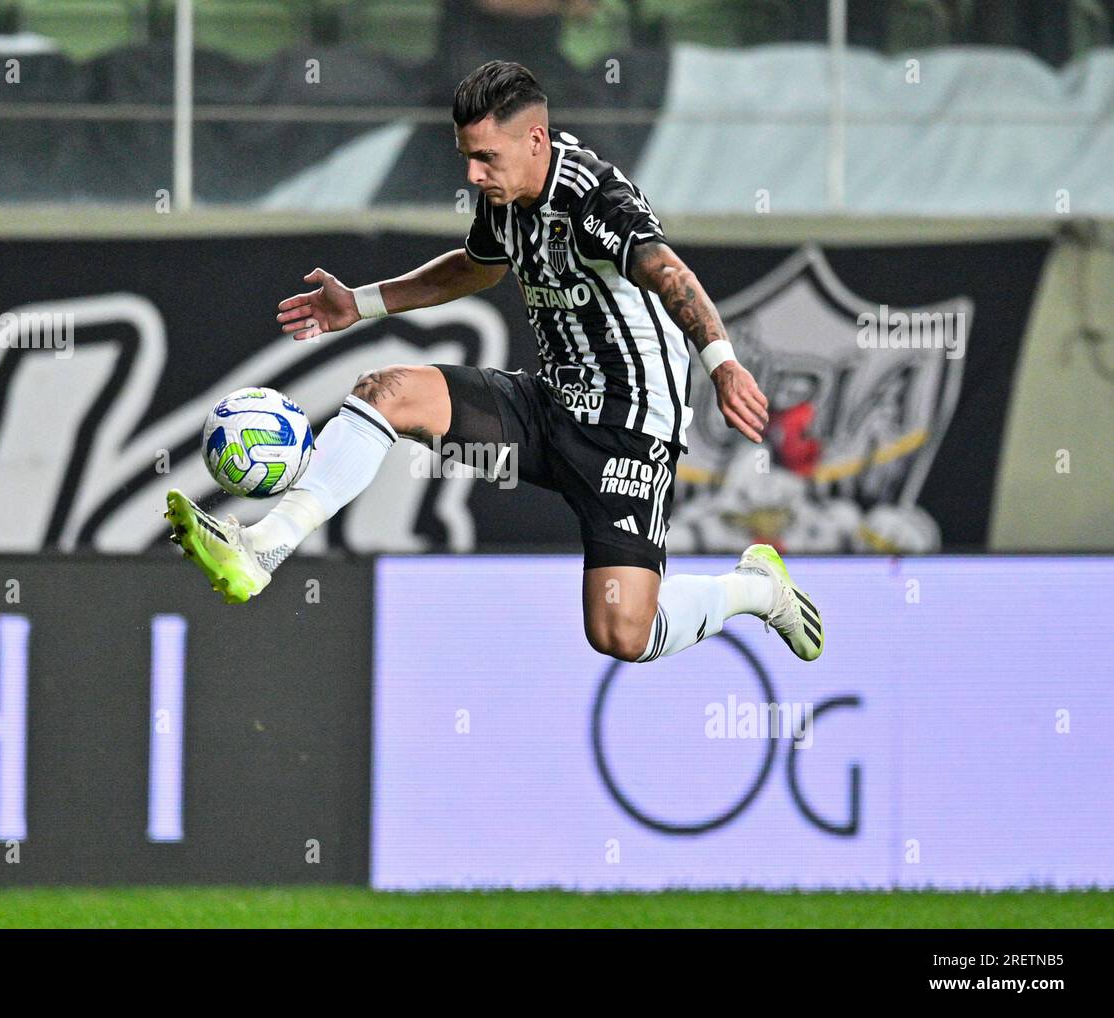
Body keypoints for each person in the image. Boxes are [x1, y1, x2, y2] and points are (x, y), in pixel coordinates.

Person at [165, 60, 823, 665]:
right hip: (547, 408)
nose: (473, 176)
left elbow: (668, 272)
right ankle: (265, 544)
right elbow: (475, 268)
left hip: (628, 432)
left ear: (535, 141)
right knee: (387, 391)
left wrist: (722, 362)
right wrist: (359, 305)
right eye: (467, 159)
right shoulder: (504, 195)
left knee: (622, 634)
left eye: (485, 158)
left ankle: (756, 589)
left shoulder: (593, 199)